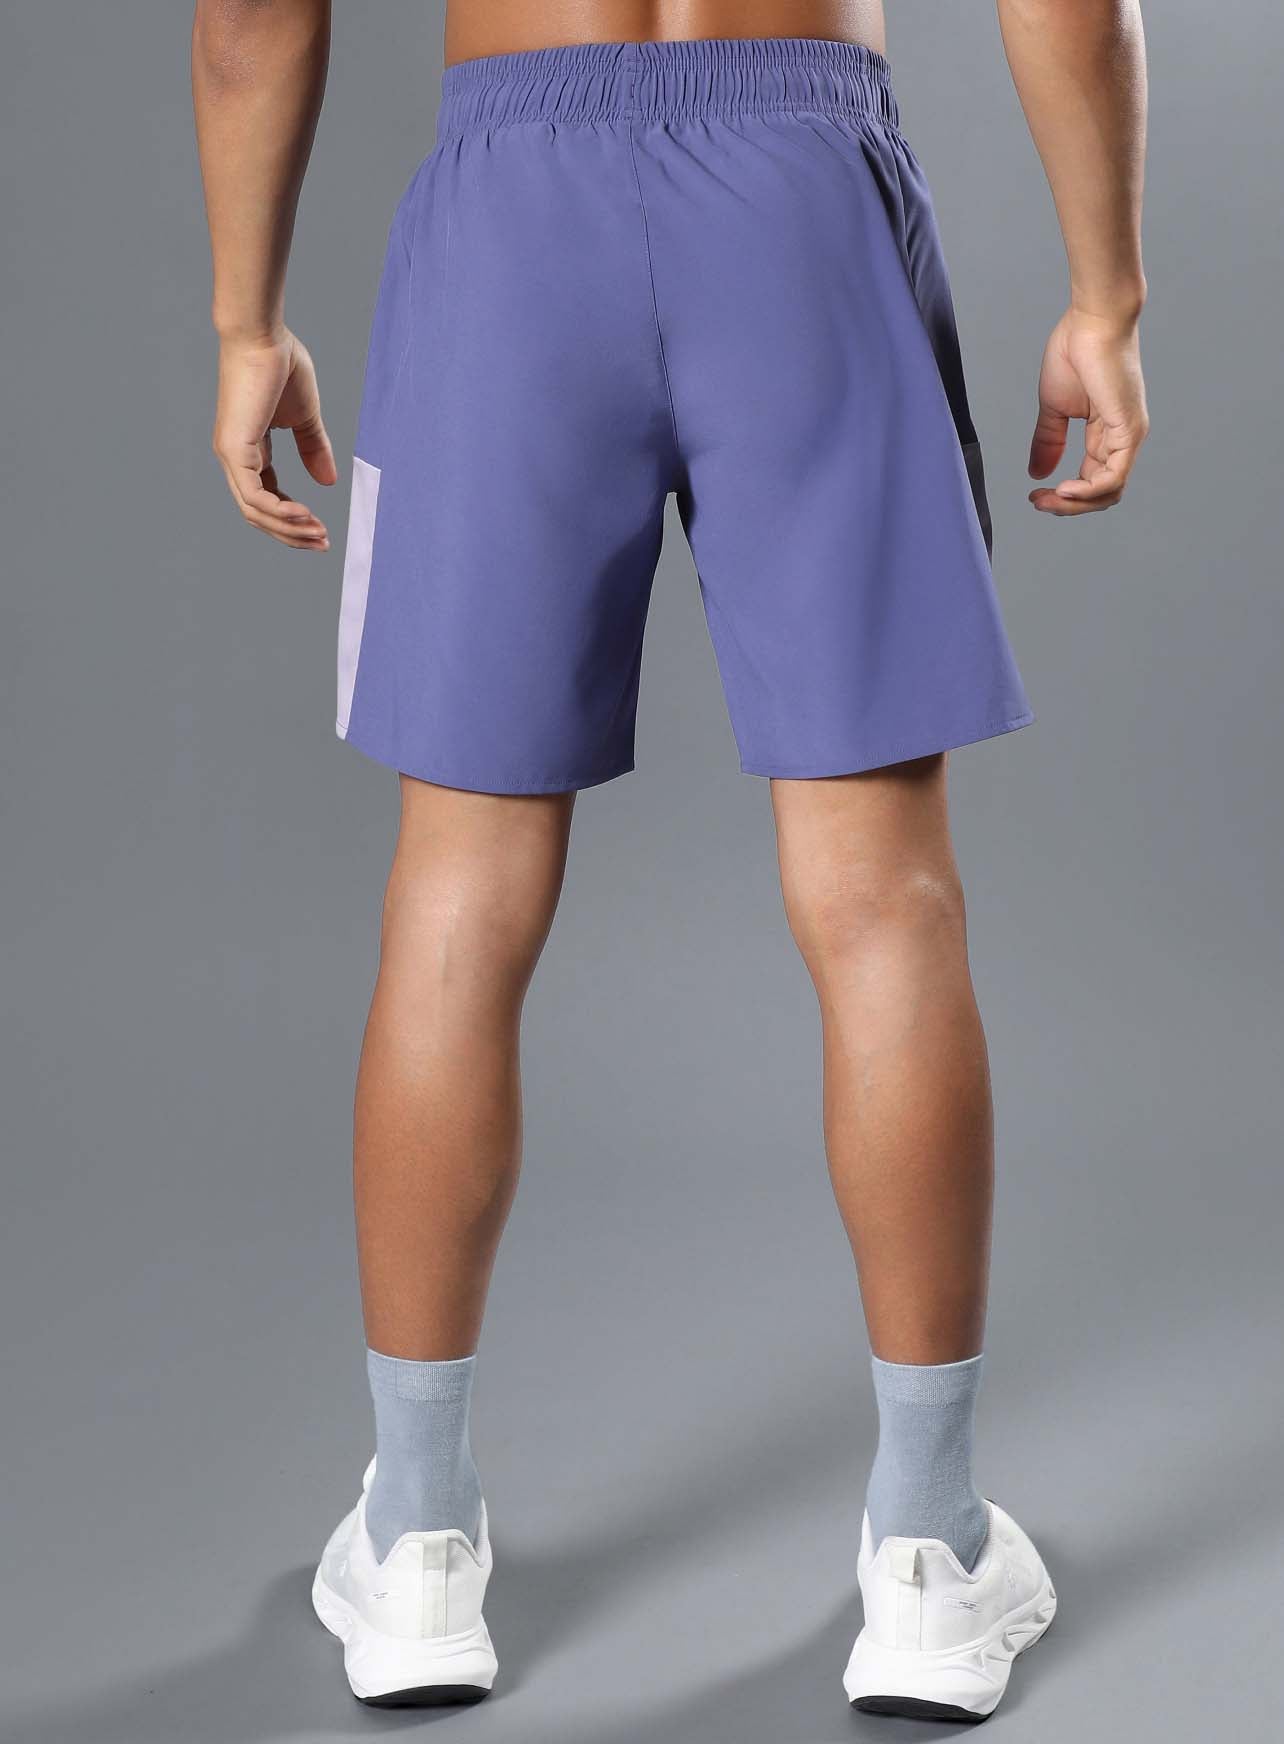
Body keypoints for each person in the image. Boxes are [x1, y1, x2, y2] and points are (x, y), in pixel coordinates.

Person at [193, 0, 1148, 1721]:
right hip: (804, 189)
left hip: (510, 211)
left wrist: (244, 318)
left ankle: (418, 1548)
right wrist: (1106, 297)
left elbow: (252, 15)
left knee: (457, 899)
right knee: (880, 898)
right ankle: (929, 1562)